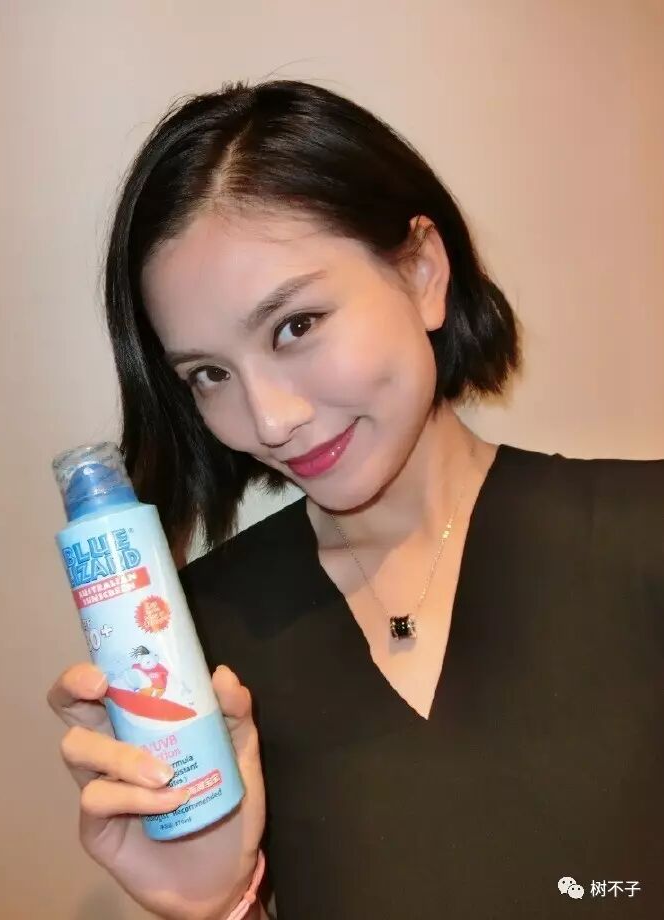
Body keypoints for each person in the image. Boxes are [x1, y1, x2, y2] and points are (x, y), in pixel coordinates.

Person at [47, 79, 663, 919]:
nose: (270, 420)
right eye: (209, 374)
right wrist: (219, 903)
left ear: (422, 271)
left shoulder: (641, 533)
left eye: (295, 325)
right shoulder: (201, 646)